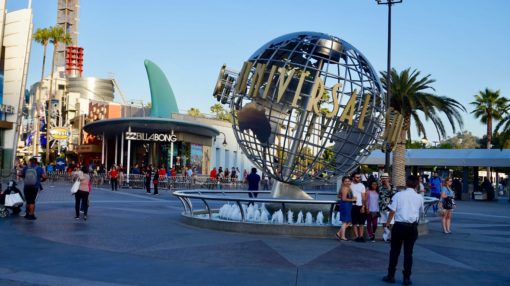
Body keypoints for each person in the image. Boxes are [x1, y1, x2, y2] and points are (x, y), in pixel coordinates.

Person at [382, 175, 424, 285]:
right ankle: (406, 278)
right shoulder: (419, 197)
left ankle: (391, 275)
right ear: (416, 185)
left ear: (406, 183)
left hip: (399, 226)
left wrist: (388, 223)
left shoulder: (398, 195)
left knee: (394, 252)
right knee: (408, 253)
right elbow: (421, 212)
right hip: (412, 227)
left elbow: (392, 211)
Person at [335, 176, 356, 241]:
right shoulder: (345, 188)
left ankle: (339, 233)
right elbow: (344, 199)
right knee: (345, 222)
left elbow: (339, 196)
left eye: (348, 181)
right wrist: (352, 199)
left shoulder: (346, 188)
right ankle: (342, 236)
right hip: (345, 205)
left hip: (347, 205)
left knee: (349, 221)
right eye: (346, 181)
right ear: (343, 182)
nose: (347, 182)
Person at [350, 172, 367, 242]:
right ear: (353, 177)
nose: (358, 178)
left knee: (361, 222)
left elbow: (364, 197)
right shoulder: (349, 185)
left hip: (360, 206)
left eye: (359, 177)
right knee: (354, 222)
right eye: (357, 177)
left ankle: (361, 236)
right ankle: (357, 236)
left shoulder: (362, 186)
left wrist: (363, 206)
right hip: (352, 206)